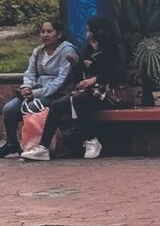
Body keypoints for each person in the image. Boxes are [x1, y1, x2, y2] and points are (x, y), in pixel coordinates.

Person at [21, 17, 131, 161]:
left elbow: (118, 72)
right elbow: (83, 72)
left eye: (89, 30)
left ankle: (91, 140)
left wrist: (95, 79)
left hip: (109, 92)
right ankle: (43, 147)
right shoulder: (89, 48)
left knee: (78, 101)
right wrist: (75, 65)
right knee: (57, 105)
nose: (87, 33)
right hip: (89, 90)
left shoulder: (115, 48)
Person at [0, 20, 79, 158]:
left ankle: (38, 146)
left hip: (56, 93)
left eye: (49, 31)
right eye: (43, 31)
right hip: (34, 91)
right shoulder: (38, 51)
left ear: (59, 34)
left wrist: (35, 93)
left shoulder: (67, 51)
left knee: (32, 107)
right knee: (9, 109)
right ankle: (12, 144)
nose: (45, 35)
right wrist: (27, 87)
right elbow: (30, 73)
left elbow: (60, 81)